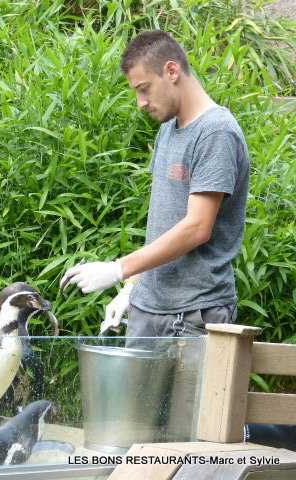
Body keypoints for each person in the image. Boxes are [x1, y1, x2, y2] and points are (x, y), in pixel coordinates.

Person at [60, 30, 250, 338]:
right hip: (147, 306)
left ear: (172, 71)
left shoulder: (216, 132)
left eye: (144, 89)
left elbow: (197, 228)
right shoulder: (169, 128)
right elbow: (164, 225)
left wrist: (117, 268)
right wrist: (130, 286)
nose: (141, 103)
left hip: (195, 313)